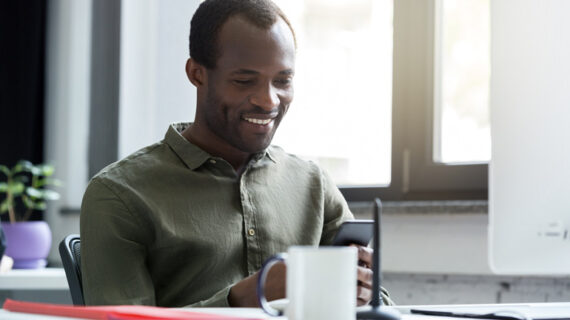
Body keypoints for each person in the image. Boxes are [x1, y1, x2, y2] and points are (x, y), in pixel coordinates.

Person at [80, 0, 392, 308]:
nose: (268, 101)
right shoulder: (119, 195)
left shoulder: (314, 184)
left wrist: (364, 295)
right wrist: (248, 297)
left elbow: (381, 304)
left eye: (283, 80)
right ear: (197, 74)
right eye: (244, 81)